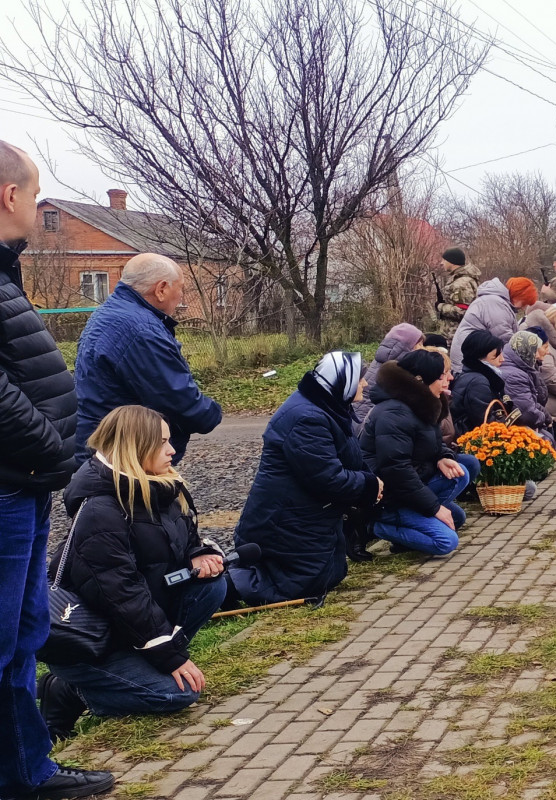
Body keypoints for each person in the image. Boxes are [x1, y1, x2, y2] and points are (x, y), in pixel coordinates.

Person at [0, 140, 111, 800]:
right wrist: (48, 443)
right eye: (35, 193)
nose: (40, 208)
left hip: (24, 483)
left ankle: (28, 773)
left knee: (21, 636)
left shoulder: (4, 269)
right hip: (11, 481)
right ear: (8, 195)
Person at [38, 406, 228, 739]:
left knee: (211, 587)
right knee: (178, 694)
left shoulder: (159, 485)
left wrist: (201, 556)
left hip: (127, 629)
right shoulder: (100, 510)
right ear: (135, 447)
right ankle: (70, 689)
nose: (172, 450)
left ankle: (141, 664)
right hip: (92, 640)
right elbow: (122, 594)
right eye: (163, 443)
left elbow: (186, 541)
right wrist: (169, 657)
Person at [230, 353, 381, 605]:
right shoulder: (306, 419)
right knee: (306, 583)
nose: (365, 385)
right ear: (342, 382)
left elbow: (349, 459)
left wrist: (370, 482)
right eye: (360, 379)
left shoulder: (328, 406)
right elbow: (327, 477)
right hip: (281, 520)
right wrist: (369, 485)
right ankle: (224, 585)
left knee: (333, 573)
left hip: (306, 512)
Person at [75, 253, 223, 465]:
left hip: (105, 446)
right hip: (125, 458)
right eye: (180, 287)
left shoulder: (112, 312)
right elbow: (176, 399)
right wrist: (211, 414)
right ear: (161, 289)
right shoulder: (140, 330)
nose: (181, 295)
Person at [360, 350, 478, 555]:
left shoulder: (422, 403)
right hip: (386, 497)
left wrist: (443, 456)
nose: (450, 378)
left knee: (458, 498)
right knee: (446, 541)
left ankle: (408, 529)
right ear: (422, 379)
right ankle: (374, 527)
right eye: (443, 374)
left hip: (407, 485)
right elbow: (396, 470)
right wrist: (434, 508)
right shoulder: (394, 413)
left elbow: (430, 442)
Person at [447, 276, 519, 375]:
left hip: (468, 356)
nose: (524, 307)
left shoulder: (491, 300)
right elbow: (504, 337)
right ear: (518, 297)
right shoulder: (494, 303)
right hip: (468, 359)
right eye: (526, 303)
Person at [520, 304, 556, 428]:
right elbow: (549, 377)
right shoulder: (544, 346)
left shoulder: (550, 344)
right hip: (547, 410)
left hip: (551, 408)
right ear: (552, 327)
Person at [354, 323, 423, 423]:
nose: (422, 348)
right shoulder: (397, 366)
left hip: (364, 411)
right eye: (420, 344)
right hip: (369, 415)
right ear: (408, 346)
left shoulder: (384, 358)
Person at [496, 329, 556, 439]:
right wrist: (545, 418)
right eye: (535, 350)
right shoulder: (515, 375)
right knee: (546, 440)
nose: (537, 355)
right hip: (519, 427)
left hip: (527, 420)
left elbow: (530, 402)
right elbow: (526, 411)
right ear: (526, 350)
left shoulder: (522, 366)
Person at [452, 329, 508, 436]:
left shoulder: (474, 375)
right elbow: (484, 421)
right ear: (481, 355)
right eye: (496, 355)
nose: (502, 359)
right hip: (471, 437)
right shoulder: (478, 383)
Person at [435, 248, 480, 326]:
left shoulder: (461, 283)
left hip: (457, 333)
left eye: (444, 260)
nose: (441, 263)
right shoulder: (460, 279)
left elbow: (463, 311)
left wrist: (440, 306)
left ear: (452, 262)